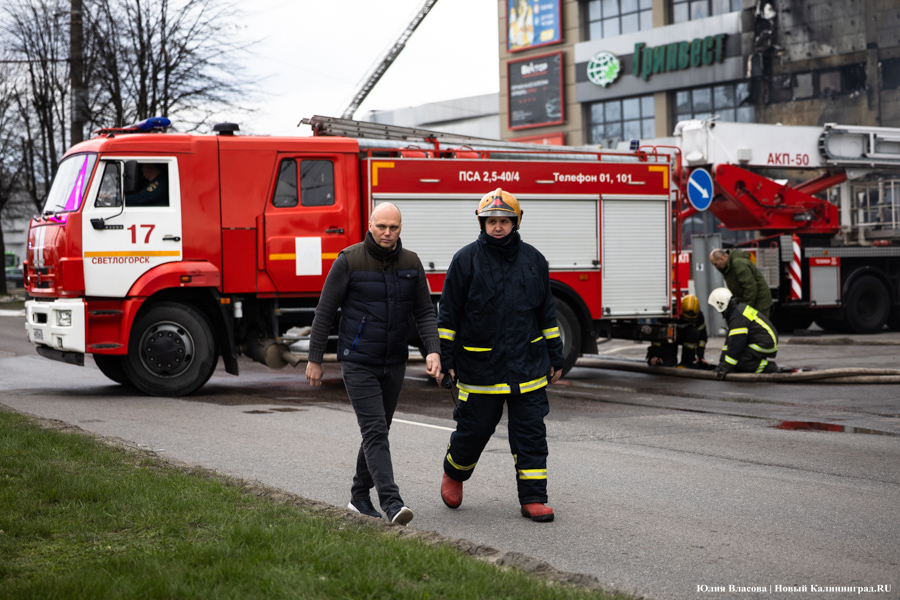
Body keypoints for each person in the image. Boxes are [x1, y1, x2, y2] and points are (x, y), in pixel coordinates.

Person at [305, 202, 442, 525]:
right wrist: (314, 359)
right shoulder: (349, 261)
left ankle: (358, 496)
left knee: (377, 431)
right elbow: (325, 312)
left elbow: (424, 311)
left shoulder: (411, 263)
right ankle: (393, 504)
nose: (387, 233)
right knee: (376, 430)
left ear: (400, 228)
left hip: (394, 362)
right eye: (381, 226)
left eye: (393, 228)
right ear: (370, 225)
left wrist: (432, 351)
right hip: (359, 361)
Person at [438, 188, 565, 523]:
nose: (497, 227)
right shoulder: (465, 260)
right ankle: (455, 472)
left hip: (529, 366)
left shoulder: (535, 261)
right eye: (491, 221)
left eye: (504, 221)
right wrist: (446, 360)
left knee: (531, 433)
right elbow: (448, 316)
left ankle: (534, 497)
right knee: (474, 431)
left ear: (516, 222)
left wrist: (556, 355)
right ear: (482, 224)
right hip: (481, 368)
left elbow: (546, 315)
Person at [707, 287, 779, 379]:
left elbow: (737, 344)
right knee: (734, 361)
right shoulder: (735, 311)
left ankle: (768, 367)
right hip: (763, 340)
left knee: (739, 362)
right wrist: (722, 363)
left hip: (766, 343)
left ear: (721, 304)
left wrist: (727, 366)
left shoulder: (737, 316)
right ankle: (756, 363)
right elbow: (729, 342)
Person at [646, 294, 710, 369]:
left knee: (693, 333)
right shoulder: (670, 313)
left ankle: (687, 362)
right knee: (667, 365)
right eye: (686, 318)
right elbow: (657, 336)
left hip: (686, 337)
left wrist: (700, 356)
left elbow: (702, 337)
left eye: (691, 319)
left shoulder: (699, 316)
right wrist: (655, 355)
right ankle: (667, 361)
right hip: (670, 340)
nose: (688, 320)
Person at [709, 248, 773, 318]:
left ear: (722, 258)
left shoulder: (738, 264)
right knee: (748, 325)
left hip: (759, 302)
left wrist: (745, 309)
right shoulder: (728, 267)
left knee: (757, 327)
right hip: (751, 301)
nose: (716, 267)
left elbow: (750, 288)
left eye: (716, 264)